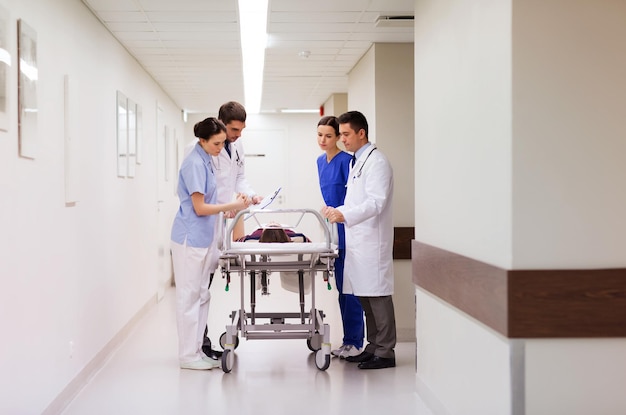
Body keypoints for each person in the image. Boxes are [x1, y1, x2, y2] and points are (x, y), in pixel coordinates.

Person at [171, 117, 249, 370]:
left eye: (222, 143)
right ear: (202, 141)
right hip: (190, 239)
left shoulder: (206, 159)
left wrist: (226, 210)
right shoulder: (194, 163)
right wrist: (232, 207)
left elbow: (213, 199)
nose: (220, 149)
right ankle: (187, 356)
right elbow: (199, 207)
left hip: (205, 237)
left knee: (203, 295)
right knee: (189, 297)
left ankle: (197, 351)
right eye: (216, 144)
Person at [321, 111, 396, 370]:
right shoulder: (357, 162)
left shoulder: (377, 162)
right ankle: (373, 346)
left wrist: (345, 213)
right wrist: (337, 211)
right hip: (358, 241)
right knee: (365, 296)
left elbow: (376, 202)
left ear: (361, 133)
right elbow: (354, 201)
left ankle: (386, 351)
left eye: (345, 134)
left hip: (372, 241)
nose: (342, 140)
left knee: (378, 296)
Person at [200, 101, 262, 360]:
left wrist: (249, 194)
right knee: (199, 289)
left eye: (241, 130)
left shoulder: (237, 146)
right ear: (221, 123)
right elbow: (200, 190)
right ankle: (199, 346)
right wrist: (223, 206)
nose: (238, 135)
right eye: (235, 129)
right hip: (205, 223)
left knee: (205, 288)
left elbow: (238, 178)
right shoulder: (203, 151)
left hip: (222, 220)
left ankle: (200, 344)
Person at [315, 115, 365, 359]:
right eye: (319, 135)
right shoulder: (319, 161)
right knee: (340, 287)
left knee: (350, 288)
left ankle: (355, 341)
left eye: (329, 136)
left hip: (349, 228)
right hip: (333, 229)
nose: (323, 140)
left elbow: (353, 199)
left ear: (337, 137)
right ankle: (347, 341)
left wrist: (339, 214)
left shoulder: (348, 161)